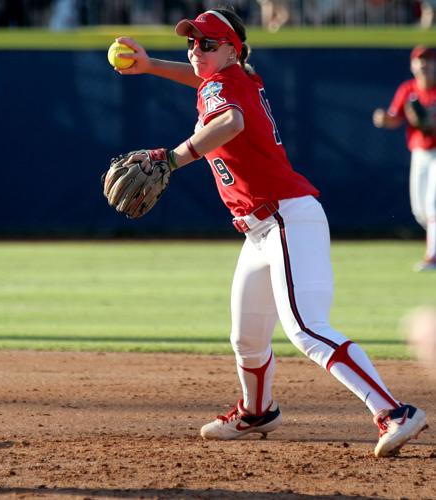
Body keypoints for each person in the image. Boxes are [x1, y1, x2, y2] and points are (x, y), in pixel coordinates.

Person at [113, 8, 427, 457]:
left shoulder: (226, 87)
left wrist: (173, 157)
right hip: (262, 228)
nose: (196, 51)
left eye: (207, 43)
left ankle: (395, 412)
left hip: (285, 218)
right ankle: (257, 412)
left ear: (231, 50)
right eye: (192, 43)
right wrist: (151, 65)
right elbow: (207, 83)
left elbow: (231, 122)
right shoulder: (230, 79)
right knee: (246, 336)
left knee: (305, 328)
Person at [373, 46, 436, 272]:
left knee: (433, 204)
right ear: (412, 66)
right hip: (420, 152)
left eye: (429, 60)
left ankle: (432, 256)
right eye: (420, 61)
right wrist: (384, 119)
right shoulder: (408, 89)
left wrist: (429, 123)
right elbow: (395, 118)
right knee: (420, 210)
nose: (424, 65)